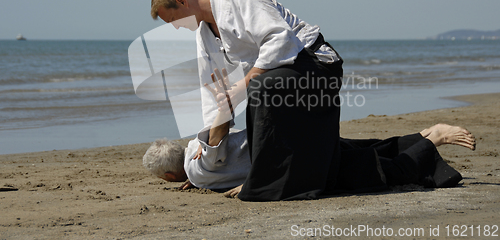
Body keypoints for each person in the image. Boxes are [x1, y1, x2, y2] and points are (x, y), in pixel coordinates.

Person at [149, 0, 476, 201]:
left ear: (182, 1)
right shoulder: (204, 36)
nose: (176, 28)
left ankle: (263, 182)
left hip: (315, 67)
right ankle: (423, 141)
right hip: (279, 83)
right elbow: (213, 90)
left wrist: (241, 88)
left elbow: (280, 39)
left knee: (263, 90)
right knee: (327, 153)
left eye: (172, 20)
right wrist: (212, 142)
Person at [143, 69, 476, 199]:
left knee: (379, 169)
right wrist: (195, 176)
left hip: (296, 154)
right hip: (299, 142)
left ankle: (434, 139)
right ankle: (426, 133)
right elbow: (208, 151)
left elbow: (214, 146)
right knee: (373, 149)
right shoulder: (193, 160)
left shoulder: (200, 166)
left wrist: (224, 101)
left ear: (171, 175)